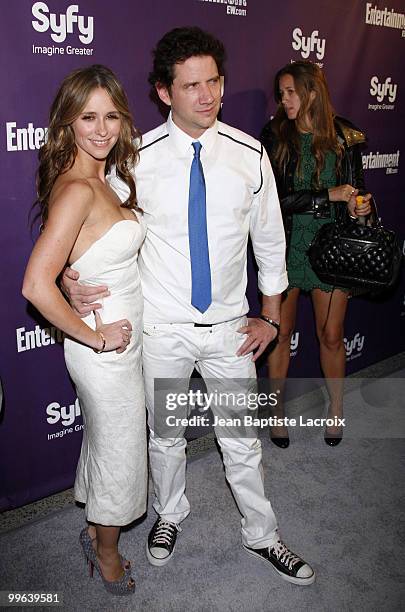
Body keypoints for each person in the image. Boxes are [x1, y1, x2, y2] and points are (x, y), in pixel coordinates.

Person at [64, 28, 315, 585]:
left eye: (215, 82)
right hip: (164, 329)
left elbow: (270, 243)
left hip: (230, 328)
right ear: (164, 92)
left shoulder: (250, 154)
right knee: (166, 437)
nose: (208, 96)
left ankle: (262, 533)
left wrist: (271, 316)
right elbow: (85, 227)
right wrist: (67, 278)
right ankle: (169, 514)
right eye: (192, 85)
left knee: (242, 440)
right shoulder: (134, 160)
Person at [22, 65, 147, 595]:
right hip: (103, 350)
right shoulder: (78, 188)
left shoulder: (104, 177)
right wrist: (94, 337)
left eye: (112, 116)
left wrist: (75, 279)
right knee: (121, 453)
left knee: (108, 442)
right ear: (67, 122)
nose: (102, 129)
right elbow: (35, 285)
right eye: (88, 117)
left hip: (119, 343)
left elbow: (81, 260)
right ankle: (107, 550)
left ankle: (96, 527)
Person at [260, 61, 372, 448]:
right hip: (288, 245)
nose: (284, 100)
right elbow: (272, 199)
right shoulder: (275, 135)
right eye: (281, 93)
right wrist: (327, 195)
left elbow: (357, 191)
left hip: (333, 247)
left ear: (311, 92)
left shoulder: (344, 135)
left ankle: (336, 408)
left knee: (331, 334)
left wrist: (359, 206)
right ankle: (276, 413)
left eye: (290, 92)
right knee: (280, 333)